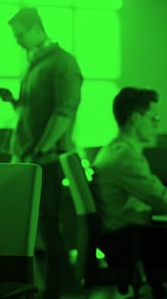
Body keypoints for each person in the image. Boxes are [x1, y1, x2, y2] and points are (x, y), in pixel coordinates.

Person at [0, 7, 83, 299]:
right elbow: (31, 112)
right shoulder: (34, 63)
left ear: (35, 28)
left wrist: (41, 150)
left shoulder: (63, 63)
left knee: (49, 227)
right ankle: (46, 287)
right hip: (30, 159)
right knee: (33, 228)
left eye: (20, 35)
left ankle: (59, 290)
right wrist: (13, 102)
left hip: (46, 161)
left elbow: (64, 113)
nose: (17, 41)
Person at [92, 87, 167, 298]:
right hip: (130, 241)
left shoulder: (117, 150)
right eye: (154, 117)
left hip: (128, 236)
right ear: (135, 118)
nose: (156, 123)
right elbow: (163, 202)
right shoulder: (125, 158)